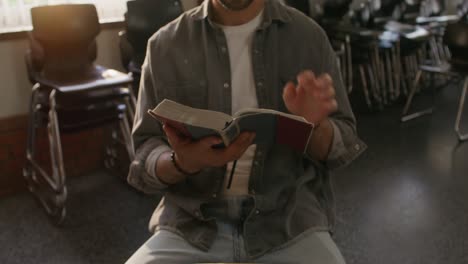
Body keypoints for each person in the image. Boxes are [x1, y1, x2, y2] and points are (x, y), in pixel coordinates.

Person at [126, 0, 366, 263]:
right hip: (192, 226)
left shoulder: (308, 36)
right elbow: (144, 155)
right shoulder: (164, 45)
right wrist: (181, 162)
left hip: (288, 222)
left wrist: (314, 127)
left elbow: (340, 149)